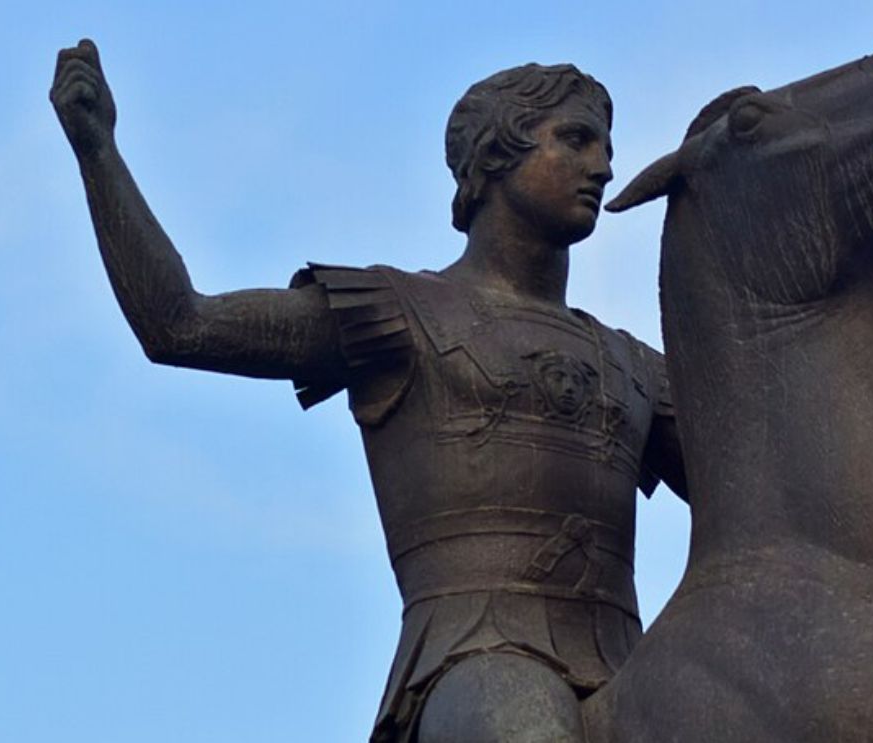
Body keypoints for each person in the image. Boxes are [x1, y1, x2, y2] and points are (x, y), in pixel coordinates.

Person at [51, 40, 687, 743]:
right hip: (475, 659)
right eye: (574, 139)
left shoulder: (630, 366)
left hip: (635, 670)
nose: (603, 165)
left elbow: (780, 493)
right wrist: (97, 151)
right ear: (493, 157)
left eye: (605, 144)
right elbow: (180, 323)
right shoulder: (397, 313)